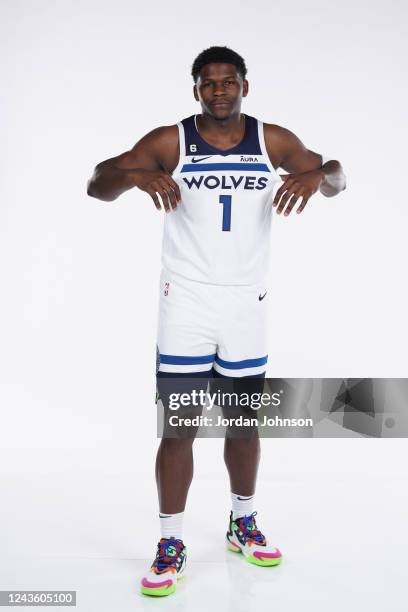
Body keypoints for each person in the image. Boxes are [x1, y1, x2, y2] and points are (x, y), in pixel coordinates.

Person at [87, 45, 346, 597]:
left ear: (245, 86)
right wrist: (134, 176)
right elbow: (97, 183)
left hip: (246, 302)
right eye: (210, 83)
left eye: (229, 82)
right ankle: (170, 541)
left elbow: (339, 177)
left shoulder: (270, 139)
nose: (220, 91)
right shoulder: (170, 142)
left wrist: (318, 174)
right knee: (179, 427)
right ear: (196, 90)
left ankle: (242, 521)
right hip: (186, 301)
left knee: (243, 422)